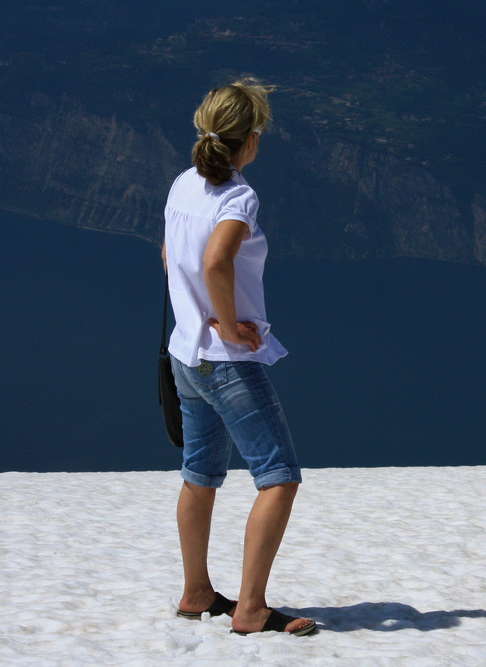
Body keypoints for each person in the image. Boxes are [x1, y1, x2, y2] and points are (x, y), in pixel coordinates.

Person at [161, 78, 315, 637]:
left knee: (200, 474)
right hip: (226, 359)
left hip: (185, 355)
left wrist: (193, 316)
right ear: (249, 140)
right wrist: (227, 323)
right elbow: (216, 262)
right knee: (279, 478)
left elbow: (169, 256)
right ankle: (250, 610)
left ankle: (196, 591)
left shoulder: (183, 185)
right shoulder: (237, 197)